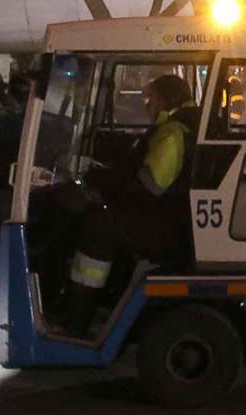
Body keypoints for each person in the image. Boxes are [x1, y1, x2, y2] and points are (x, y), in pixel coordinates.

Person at [61, 73, 199, 331]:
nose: (147, 104)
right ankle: (105, 302)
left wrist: (105, 184)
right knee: (108, 217)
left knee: (99, 226)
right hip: (176, 219)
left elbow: (149, 186)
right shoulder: (178, 125)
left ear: (166, 99)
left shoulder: (173, 132)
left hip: (169, 226)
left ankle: (78, 316)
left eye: (151, 98)